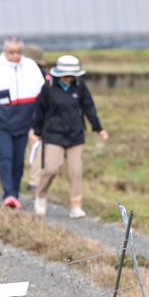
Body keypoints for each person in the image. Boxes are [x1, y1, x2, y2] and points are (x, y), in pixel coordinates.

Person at [29, 54, 107, 219]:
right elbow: (40, 110)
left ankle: (76, 205)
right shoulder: (48, 87)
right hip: (54, 134)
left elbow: (89, 107)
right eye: (66, 75)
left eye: (72, 75)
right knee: (51, 168)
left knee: (75, 171)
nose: (69, 78)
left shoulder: (80, 87)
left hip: (75, 135)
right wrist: (37, 131)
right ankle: (41, 195)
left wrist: (98, 128)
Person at [0, 37, 42, 209]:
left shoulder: (31, 67)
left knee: (18, 161)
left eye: (18, 52)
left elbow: (42, 96)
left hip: (24, 121)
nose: (15, 56)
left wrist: (39, 121)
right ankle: (9, 193)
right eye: (11, 52)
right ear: (5, 51)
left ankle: (15, 193)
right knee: (5, 157)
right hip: (1, 122)